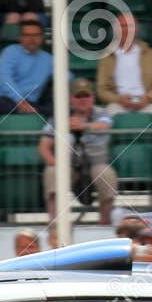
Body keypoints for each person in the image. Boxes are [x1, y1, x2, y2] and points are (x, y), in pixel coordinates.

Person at [40, 78, 117, 226]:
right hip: (67, 163)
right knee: (52, 172)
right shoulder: (59, 116)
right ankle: (55, 223)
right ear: (71, 98)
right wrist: (54, 163)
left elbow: (104, 125)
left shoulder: (102, 112)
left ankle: (105, 222)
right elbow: (44, 146)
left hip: (96, 161)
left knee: (106, 174)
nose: (82, 100)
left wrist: (84, 125)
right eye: (78, 96)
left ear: (93, 97)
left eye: (86, 96)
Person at [97, 10, 152, 116]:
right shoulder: (107, 56)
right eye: (123, 26)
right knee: (112, 115)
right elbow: (102, 89)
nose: (126, 30)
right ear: (116, 30)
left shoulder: (149, 53)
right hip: (118, 104)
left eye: (130, 26)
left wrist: (147, 98)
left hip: (147, 103)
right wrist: (119, 99)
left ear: (136, 29)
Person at [0, 18, 52, 115]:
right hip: (5, 99)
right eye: (27, 35)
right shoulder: (9, 52)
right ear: (20, 37)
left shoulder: (48, 59)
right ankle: (28, 112)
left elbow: (66, 77)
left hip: (32, 103)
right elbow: (5, 79)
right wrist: (20, 101)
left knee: (56, 107)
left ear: (42, 37)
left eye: (36, 35)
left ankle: (31, 112)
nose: (31, 39)